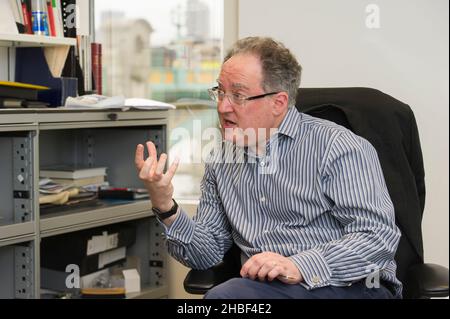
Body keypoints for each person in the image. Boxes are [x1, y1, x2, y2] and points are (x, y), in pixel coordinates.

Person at [135, 37, 402, 299]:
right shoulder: (221, 159)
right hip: (266, 288)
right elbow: (206, 254)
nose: (222, 106)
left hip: (351, 285)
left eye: (238, 95)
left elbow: (377, 238)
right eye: (220, 92)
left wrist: (300, 265)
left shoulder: (337, 146)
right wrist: (166, 206)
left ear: (278, 103)